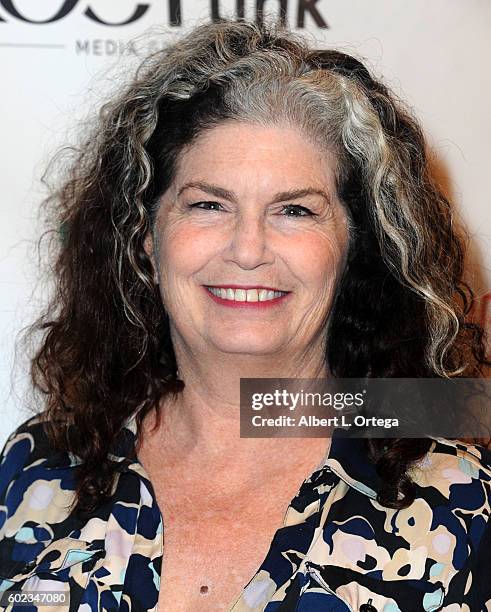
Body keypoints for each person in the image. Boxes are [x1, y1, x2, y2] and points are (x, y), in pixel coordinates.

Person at [0, 17, 490, 612]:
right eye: (208, 204)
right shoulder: (38, 467)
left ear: (354, 246)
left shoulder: (462, 500)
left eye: (295, 211)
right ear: (147, 239)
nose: (248, 249)